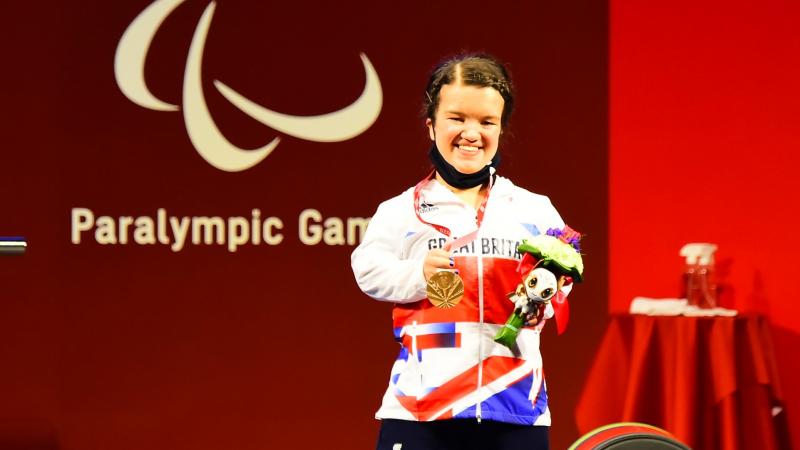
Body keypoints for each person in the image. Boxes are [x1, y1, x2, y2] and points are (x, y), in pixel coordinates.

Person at [351, 54, 571, 450]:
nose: (472, 132)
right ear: (431, 126)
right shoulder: (400, 210)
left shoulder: (535, 209)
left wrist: (548, 289)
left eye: (487, 122)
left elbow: (564, 272)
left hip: (517, 407)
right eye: (457, 118)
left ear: (501, 129)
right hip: (422, 408)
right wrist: (418, 275)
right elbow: (367, 269)